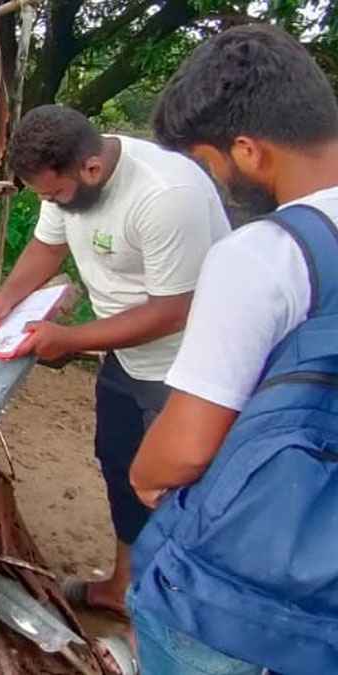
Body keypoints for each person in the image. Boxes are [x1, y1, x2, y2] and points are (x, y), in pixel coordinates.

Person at [129, 24, 338, 674]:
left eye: (207, 161)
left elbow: (186, 447)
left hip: (251, 608)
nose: (211, 180)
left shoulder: (267, 256)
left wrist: (144, 475)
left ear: (246, 150)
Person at [0, 105, 230, 620]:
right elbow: (47, 248)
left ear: (90, 170)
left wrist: (69, 339)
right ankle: (121, 587)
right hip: (127, 352)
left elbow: (173, 310)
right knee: (119, 464)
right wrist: (3, 300)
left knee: (175, 489)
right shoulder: (67, 172)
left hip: (189, 367)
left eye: (54, 195)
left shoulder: (164, 196)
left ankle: (167, 620)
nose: (51, 204)